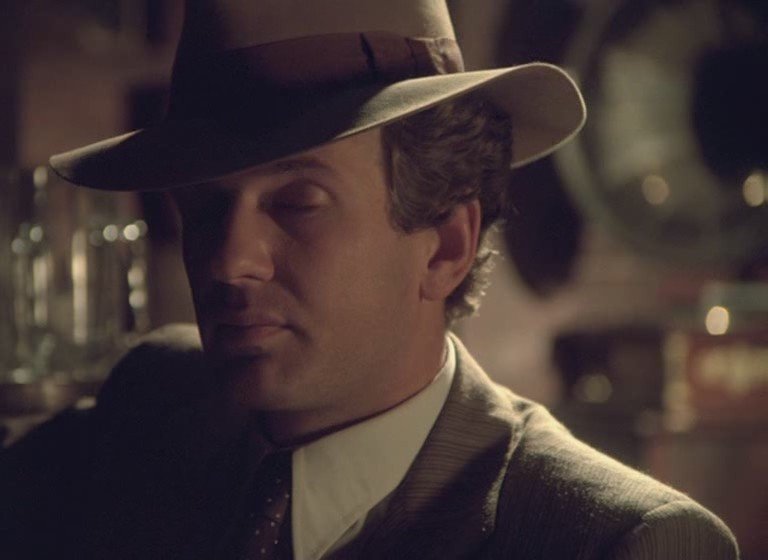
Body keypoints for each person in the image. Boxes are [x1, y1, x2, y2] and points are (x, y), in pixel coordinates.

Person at [1, 1, 739, 559]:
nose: (227, 260)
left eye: (298, 202)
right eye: (203, 207)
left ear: (446, 244)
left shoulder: (612, 541)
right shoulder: (155, 399)